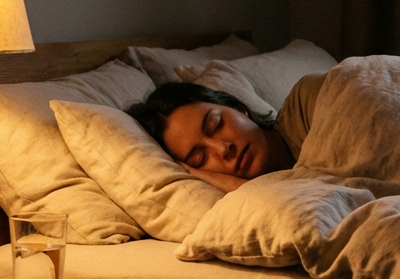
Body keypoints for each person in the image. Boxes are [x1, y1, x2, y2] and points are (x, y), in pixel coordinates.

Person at [126, 73, 325, 193]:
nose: (222, 149)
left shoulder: (311, 100)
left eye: (216, 124)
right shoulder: (254, 202)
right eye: (200, 158)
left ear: (235, 106)